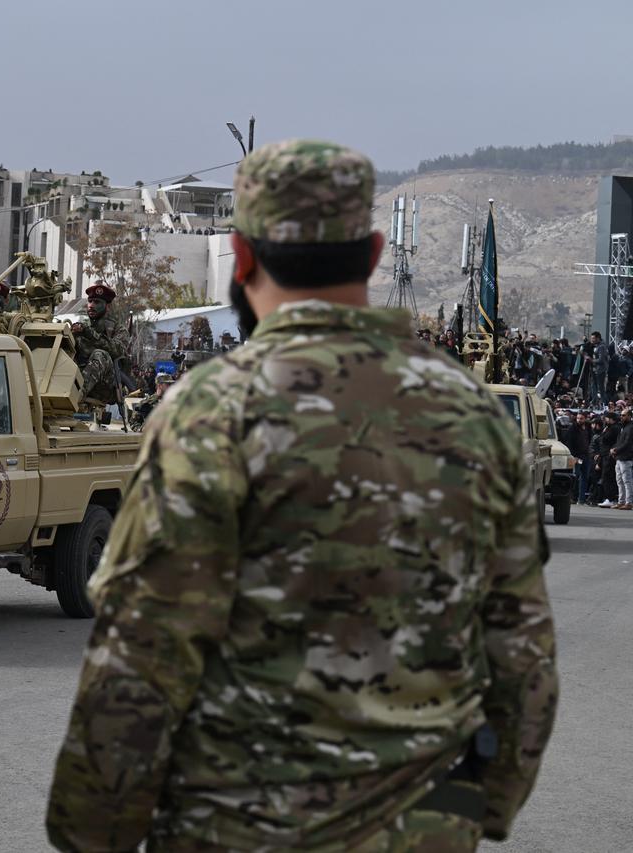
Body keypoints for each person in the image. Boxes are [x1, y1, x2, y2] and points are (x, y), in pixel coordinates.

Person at [46, 139, 557, 852]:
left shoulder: (210, 413)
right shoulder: (474, 419)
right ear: (373, 255)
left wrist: (93, 833)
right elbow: (523, 656)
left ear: (242, 257)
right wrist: (477, 809)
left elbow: (142, 652)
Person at [70, 281, 131, 402]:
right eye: (90, 301)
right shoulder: (82, 329)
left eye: (97, 302)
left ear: (107, 306)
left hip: (107, 387)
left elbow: (118, 351)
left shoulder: (118, 329)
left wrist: (90, 334)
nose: (91, 305)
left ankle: (74, 397)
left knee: (100, 354)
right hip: (80, 379)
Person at [611, 406, 633, 509]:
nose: (621, 417)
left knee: (627, 481)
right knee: (619, 481)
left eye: (623, 415)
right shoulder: (623, 427)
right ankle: (621, 501)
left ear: (629, 416)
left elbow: (627, 443)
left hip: (626, 458)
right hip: (619, 457)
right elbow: (619, 441)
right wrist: (613, 449)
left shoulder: (631, 427)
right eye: (621, 415)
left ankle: (629, 502)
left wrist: (616, 450)